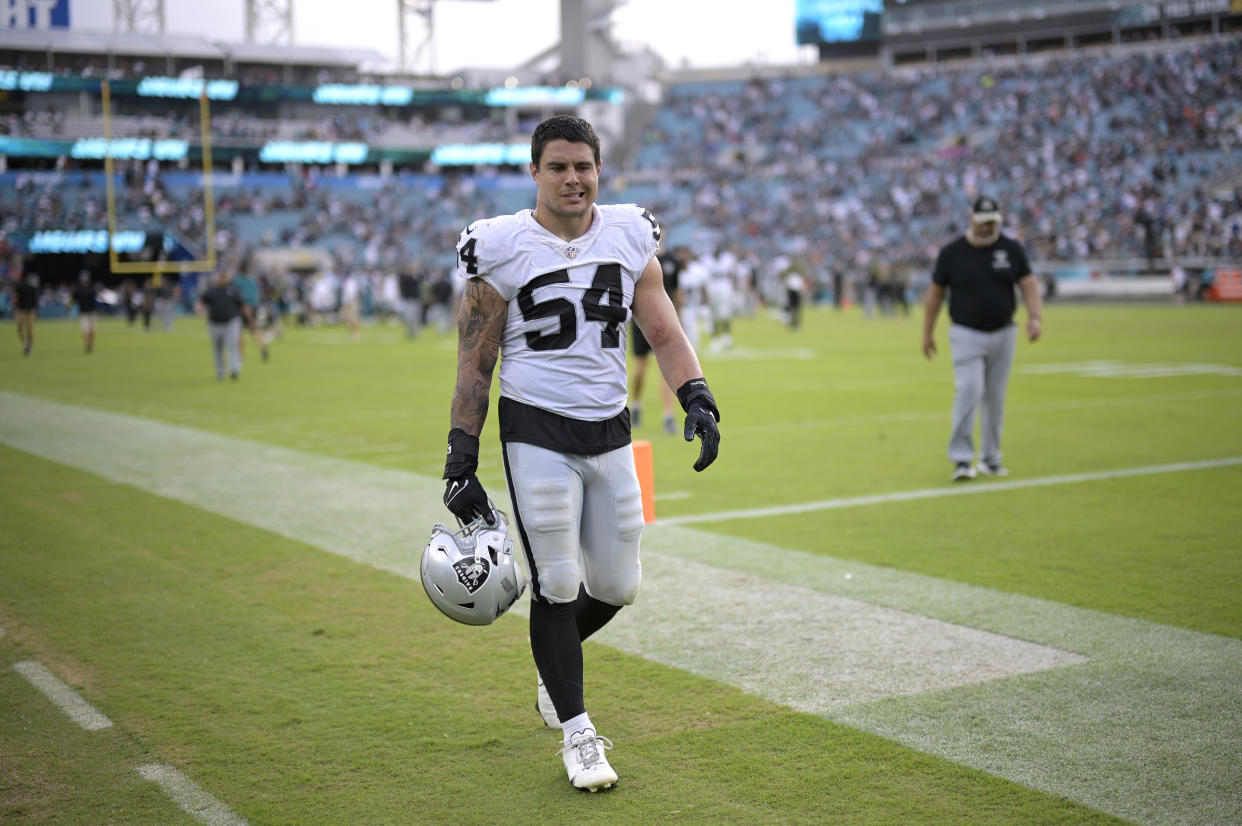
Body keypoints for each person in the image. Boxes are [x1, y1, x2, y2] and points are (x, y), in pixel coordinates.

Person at [442, 115, 721, 792]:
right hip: (535, 429)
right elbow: (476, 359)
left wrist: (698, 396)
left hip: (611, 430)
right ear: (534, 172)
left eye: (584, 167)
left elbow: (662, 325)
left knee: (620, 585)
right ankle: (579, 732)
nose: (573, 178)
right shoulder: (502, 245)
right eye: (559, 166)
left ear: (600, 170)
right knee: (558, 582)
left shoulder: (630, 233)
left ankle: (553, 676)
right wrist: (460, 457)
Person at [922, 196, 1043, 481]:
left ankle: (991, 458)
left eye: (992, 223)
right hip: (965, 332)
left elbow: (1028, 284)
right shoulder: (952, 253)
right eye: (983, 223)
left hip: (1004, 332)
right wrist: (927, 333)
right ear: (971, 219)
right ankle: (962, 459)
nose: (988, 228)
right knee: (969, 390)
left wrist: (1035, 317)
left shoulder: (1011, 249)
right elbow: (936, 295)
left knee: (995, 397)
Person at [629, 246, 684, 435]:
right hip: (640, 321)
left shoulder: (671, 261)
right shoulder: (637, 256)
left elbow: (676, 291)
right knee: (640, 369)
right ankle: (635, 406)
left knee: (667, 371)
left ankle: (668, 417)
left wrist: (679, 318)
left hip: (665, 321)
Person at [195, 270, 248, 381]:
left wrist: (249, 318)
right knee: (218, 349)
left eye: (224, 277)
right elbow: (200, 301)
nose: (223, 279)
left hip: (231, 322)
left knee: (232, 346)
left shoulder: (233, 290)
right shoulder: (211, 291)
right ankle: (220, 372)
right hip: (215, 323)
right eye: (221, 277)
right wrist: (199, 309)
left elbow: (242, 304)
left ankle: (234, 370)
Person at [69, 270, 99, 353]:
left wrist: (68, 308)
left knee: (85, 329)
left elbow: (72, 300)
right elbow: (96, 301)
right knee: (92, 329)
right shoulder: (91, 289)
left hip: (83, 312)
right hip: (92, 312)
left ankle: (87, 345)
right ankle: (90, 345)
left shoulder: (78, 290)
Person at [12, 271, 39, 356]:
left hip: (22, 311)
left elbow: (15, 299)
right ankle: (28, 345)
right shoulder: (33, 288)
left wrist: (14, 309)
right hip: (30, 311)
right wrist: (36, 311)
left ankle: (26, 344)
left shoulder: (19, 287)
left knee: (20, 329)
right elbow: (36, 301)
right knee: (30, 329)